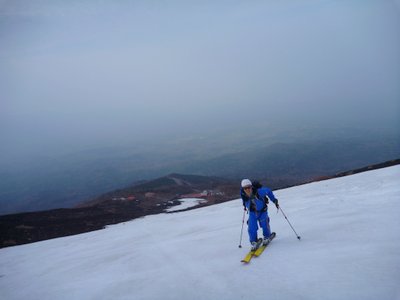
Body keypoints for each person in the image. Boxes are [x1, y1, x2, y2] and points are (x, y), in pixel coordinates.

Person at [240, 178, 279, 250]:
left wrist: (274, 200)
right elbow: (245, 201)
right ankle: (254, 241)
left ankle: (267, 236)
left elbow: (268, 191)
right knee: (251, 227)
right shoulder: (243, 194)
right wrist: (245, 206)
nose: (247, 189)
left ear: (251, 187)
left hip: (262, 211)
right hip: (252, 213)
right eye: (245, 188)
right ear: (243, 189)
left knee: (264, 224)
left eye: (249, 187)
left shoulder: (260, 191)